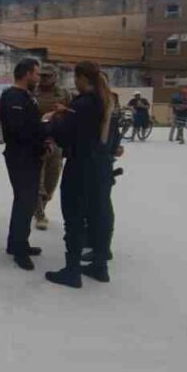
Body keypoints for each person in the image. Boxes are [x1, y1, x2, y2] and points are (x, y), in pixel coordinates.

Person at [42, 61, 110, 288]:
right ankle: (100, 266)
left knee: (73, 219)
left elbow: (65, 136)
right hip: (99, 166)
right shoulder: (103, 100)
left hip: (80, 166)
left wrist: (53, 121)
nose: (74, 82)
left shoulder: (82, 103)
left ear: (82, 78)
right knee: (95, 216)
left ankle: (72, 271)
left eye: (76, 78)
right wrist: (67, 114)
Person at [0, 58, 47, 271]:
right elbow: (19, 130)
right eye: (36, 74)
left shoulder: (25, 96)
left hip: (29, 156)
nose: (38, 78)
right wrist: (45, 128)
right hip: (21, 157)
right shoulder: (13, 97)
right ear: (27, 73)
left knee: (25, 203)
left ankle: (18, 243)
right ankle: (18, 249)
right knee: (24, 202)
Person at [84, 87, 124, 281]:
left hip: (99, 165)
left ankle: (100, 260)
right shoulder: (110, 110)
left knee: (101, 210)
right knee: (100, 209)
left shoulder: (106, 112)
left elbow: (102, 142)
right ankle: (100, 250)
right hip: (104, 163)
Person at [33, 64, 71, 230]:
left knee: (52, 179)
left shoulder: (64, 93)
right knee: (38, 179)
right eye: (42, 76)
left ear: (55, 77)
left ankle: (43, 205)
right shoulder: (33, 92)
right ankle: (39, 213)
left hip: (57, 140)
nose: (44, 79)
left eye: (48, 76)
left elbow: (72, 113)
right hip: (38, 139)